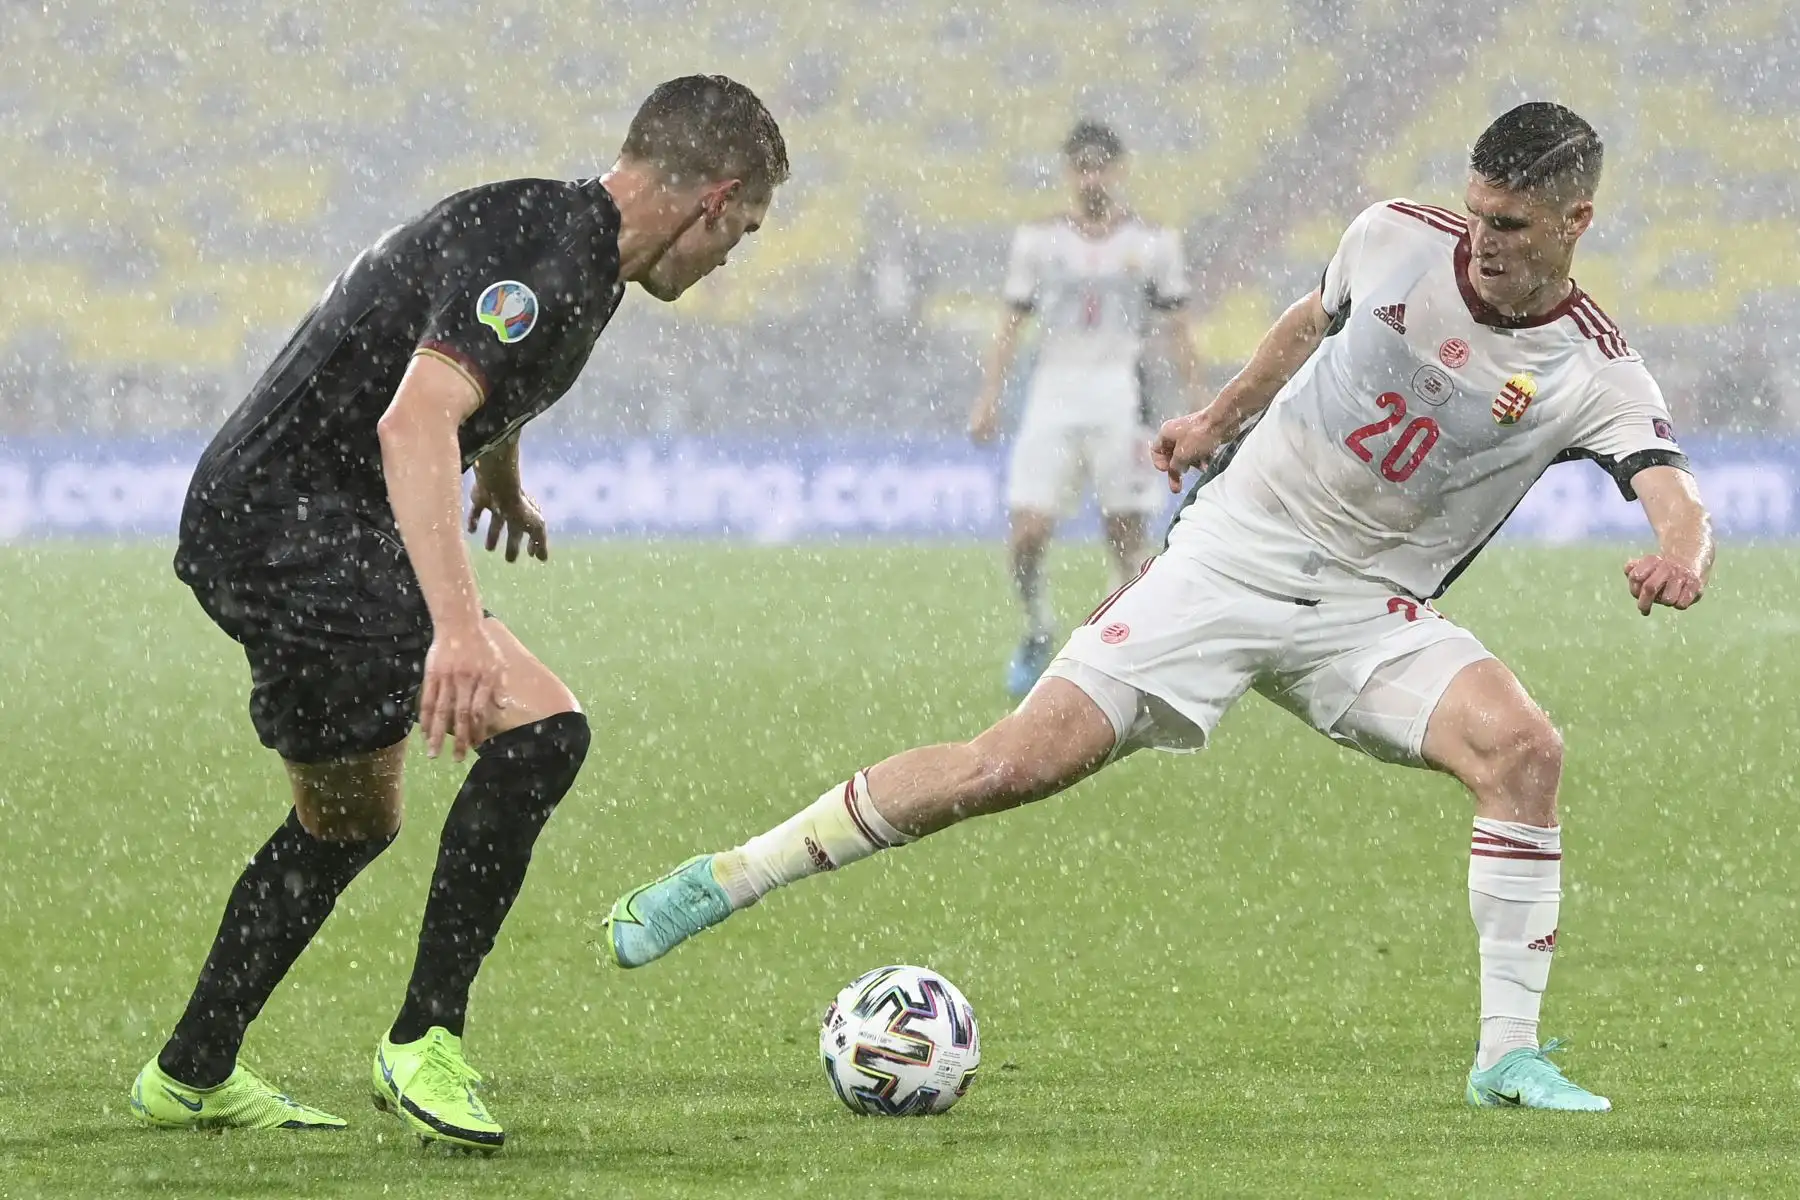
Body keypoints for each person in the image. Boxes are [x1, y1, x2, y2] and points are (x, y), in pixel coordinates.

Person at [602, 103, 1714, 1112]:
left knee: (1525, 752)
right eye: (1476, 214)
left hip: (1368, 612)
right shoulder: (1392, 237)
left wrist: (1679, 551)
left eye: (1511, 226)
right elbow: (1306, 324)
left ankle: (1505, 1057)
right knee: (1010, 766)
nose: (1482, 243)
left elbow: (1671, 487)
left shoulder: (1594, 370)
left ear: (1577, 220)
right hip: (1228, 556)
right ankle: (729, 877)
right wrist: (1214, 420)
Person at [130, 76, 787, 1152]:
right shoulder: (554, 261)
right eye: (743, 233)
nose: (729, 261)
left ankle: (190, 1072)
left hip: (259, 516)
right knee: (543, 732)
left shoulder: (562, 234)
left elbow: (467, 380)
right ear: (712, 198)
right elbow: (415, 419)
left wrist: (499, 472)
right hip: (292, 528)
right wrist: (457, 625)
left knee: (349, 821)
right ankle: (423, 1039)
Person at [968, 120, 1203, 696]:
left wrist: (1203, 407)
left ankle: (1124, 649)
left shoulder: (1151, 245)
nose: (1092, 176)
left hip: (1120, 392)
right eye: (1082, 165)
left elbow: (1178, 330)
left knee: (1125, 532)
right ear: (1069, 171)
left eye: (1102, 165)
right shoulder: (1038, 242)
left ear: (1118, 170)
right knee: (1027, 532)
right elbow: (1010, 324)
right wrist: (989, 397)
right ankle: (1037, 626)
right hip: (1052, 392)